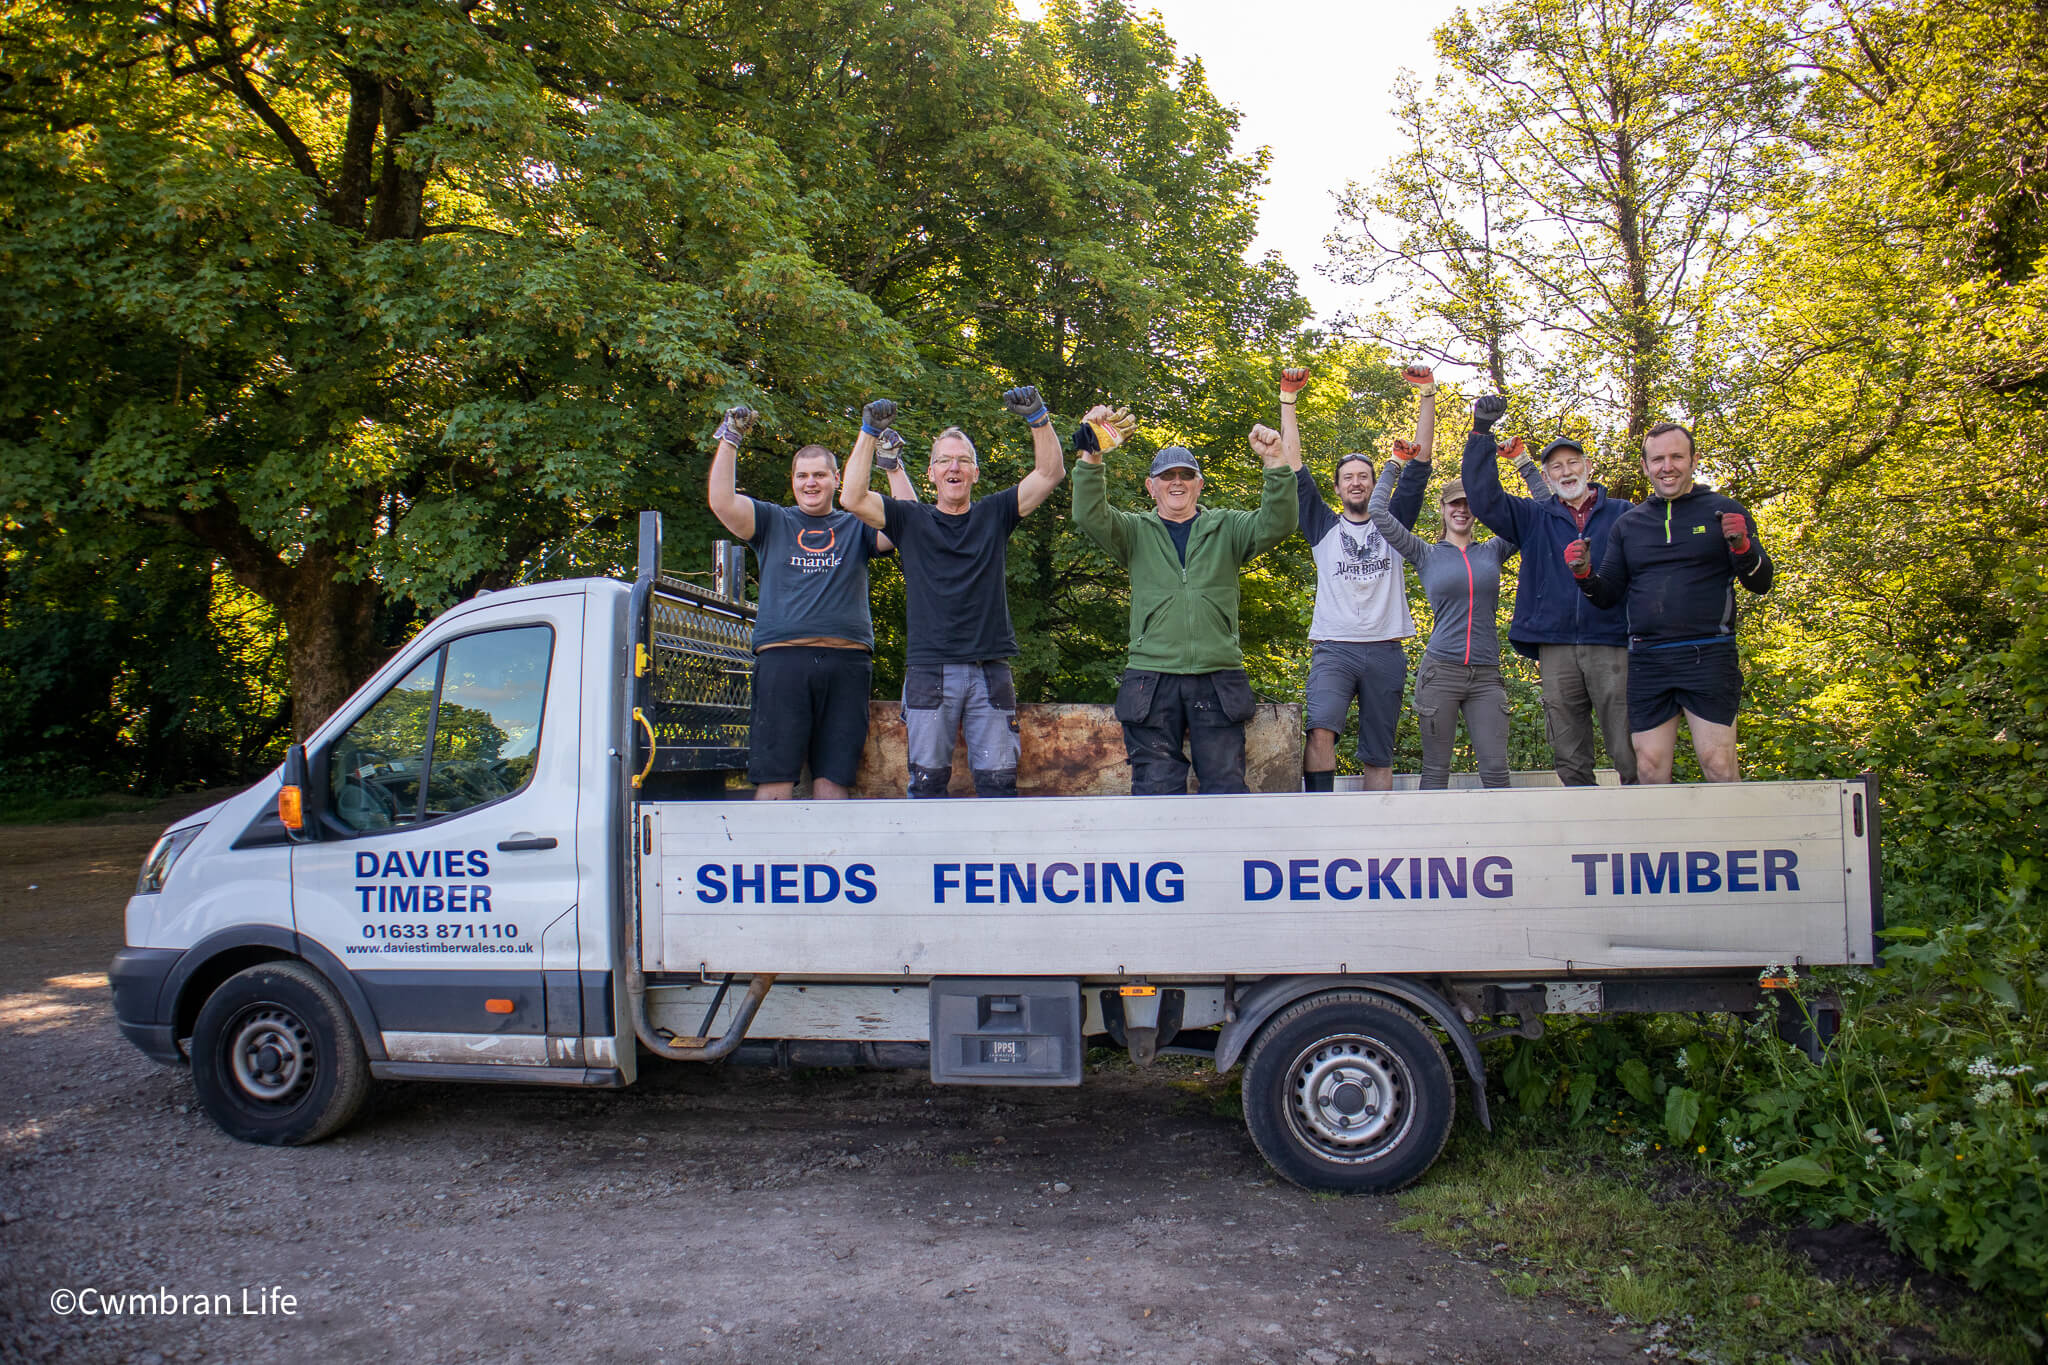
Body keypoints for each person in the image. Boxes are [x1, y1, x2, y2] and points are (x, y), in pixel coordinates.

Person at [840, 387, 1083, 797]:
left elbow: (1050, 474)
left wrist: (1039, 418)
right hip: (928, 670)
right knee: (927, 784)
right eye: (944, 461)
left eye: (963, 460)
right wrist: (868, 433)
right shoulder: (908, 518)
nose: (954, 467)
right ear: (931, 474)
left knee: (999, 786)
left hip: (990, 668)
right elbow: (851, 497)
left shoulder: (994, 514)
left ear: (975, 473)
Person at [1069, 417, 1296, 794]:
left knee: (1225, 787)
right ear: (1151, 487)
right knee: (1156, 788)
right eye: (1167, 475)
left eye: (1186, 475)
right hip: (1150, 678)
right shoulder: (1133, 531)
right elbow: (1088, 514)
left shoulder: (1228, 528)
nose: (1177, 482)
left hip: (1218, 676)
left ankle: (1220, 855)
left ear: (1199, 485)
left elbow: (1279, 522)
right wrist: (1092, 454)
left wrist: (1275, 462)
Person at [1567, 421, 1773, 783]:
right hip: (1649, 658)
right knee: (1648, 767)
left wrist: (1743, 547)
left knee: (1718, 764)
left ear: (1693, 460)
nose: (1667, 466)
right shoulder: (1629, 525)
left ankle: (1730, 839)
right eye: (1658, 459)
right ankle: (1666, 841)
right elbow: (1607, 595)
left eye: (1677, 457)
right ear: (1645, 467)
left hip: (1708, 653)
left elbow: (1760, 581)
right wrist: (1584, 574)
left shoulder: (1723, 511)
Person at [706, 405, 891, 800]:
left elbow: (903, 526)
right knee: (775, 781)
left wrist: (890, 463)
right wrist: (731, 438)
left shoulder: (855, 523)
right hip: (783, 663)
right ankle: (769, 860)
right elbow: (722, 502)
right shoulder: (773, 521)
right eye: (803, 475)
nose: (811, 483)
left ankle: (833, 861)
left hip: (847, 664)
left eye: (820, 475)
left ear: (836, 479)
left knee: (833, 782)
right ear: (792, 481)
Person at [1460, 397, 1639, 785]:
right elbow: (1483, 497)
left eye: (1573, 462)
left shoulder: (1625, 514)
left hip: (1612, 643)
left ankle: (1642, 830)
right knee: (1569, 754)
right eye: (1556, 466)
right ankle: (1582, 833)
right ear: (1547, 475)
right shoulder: (1533, 517)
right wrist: (1480, 433)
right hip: (1555, 646)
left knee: (1630, 749)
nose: (1566, 470)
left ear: (1588, 467)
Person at [1277, 364, 1435, 792]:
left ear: (1373, 483)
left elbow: (1419, 465)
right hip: (1334, 647)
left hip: (1385, 648)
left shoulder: (1393, 521)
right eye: (1348, 477)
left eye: (1364, 475)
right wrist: (1287, 401)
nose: (1357, 482)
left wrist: (1427, 396)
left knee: (1378, 752)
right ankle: (1323, 822)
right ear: (1338, 488)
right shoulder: (1322, 525)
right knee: (1320, 732)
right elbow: (1294, 467)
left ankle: (1374, 838)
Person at [1369, 448, 1547, 789]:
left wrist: (1524, 463)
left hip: (1486, 675)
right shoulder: (1425, 553)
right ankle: (1429, 843)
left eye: (1468, 503)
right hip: (1441, 673)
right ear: (1443, 509)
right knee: (1436, 773)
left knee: (1496, 773)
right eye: (1454, 503)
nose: (1461, 510)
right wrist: (1394, 464)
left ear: (1477, 510)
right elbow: (1378, 511)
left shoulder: (1494, 549)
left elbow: (1544, 510)